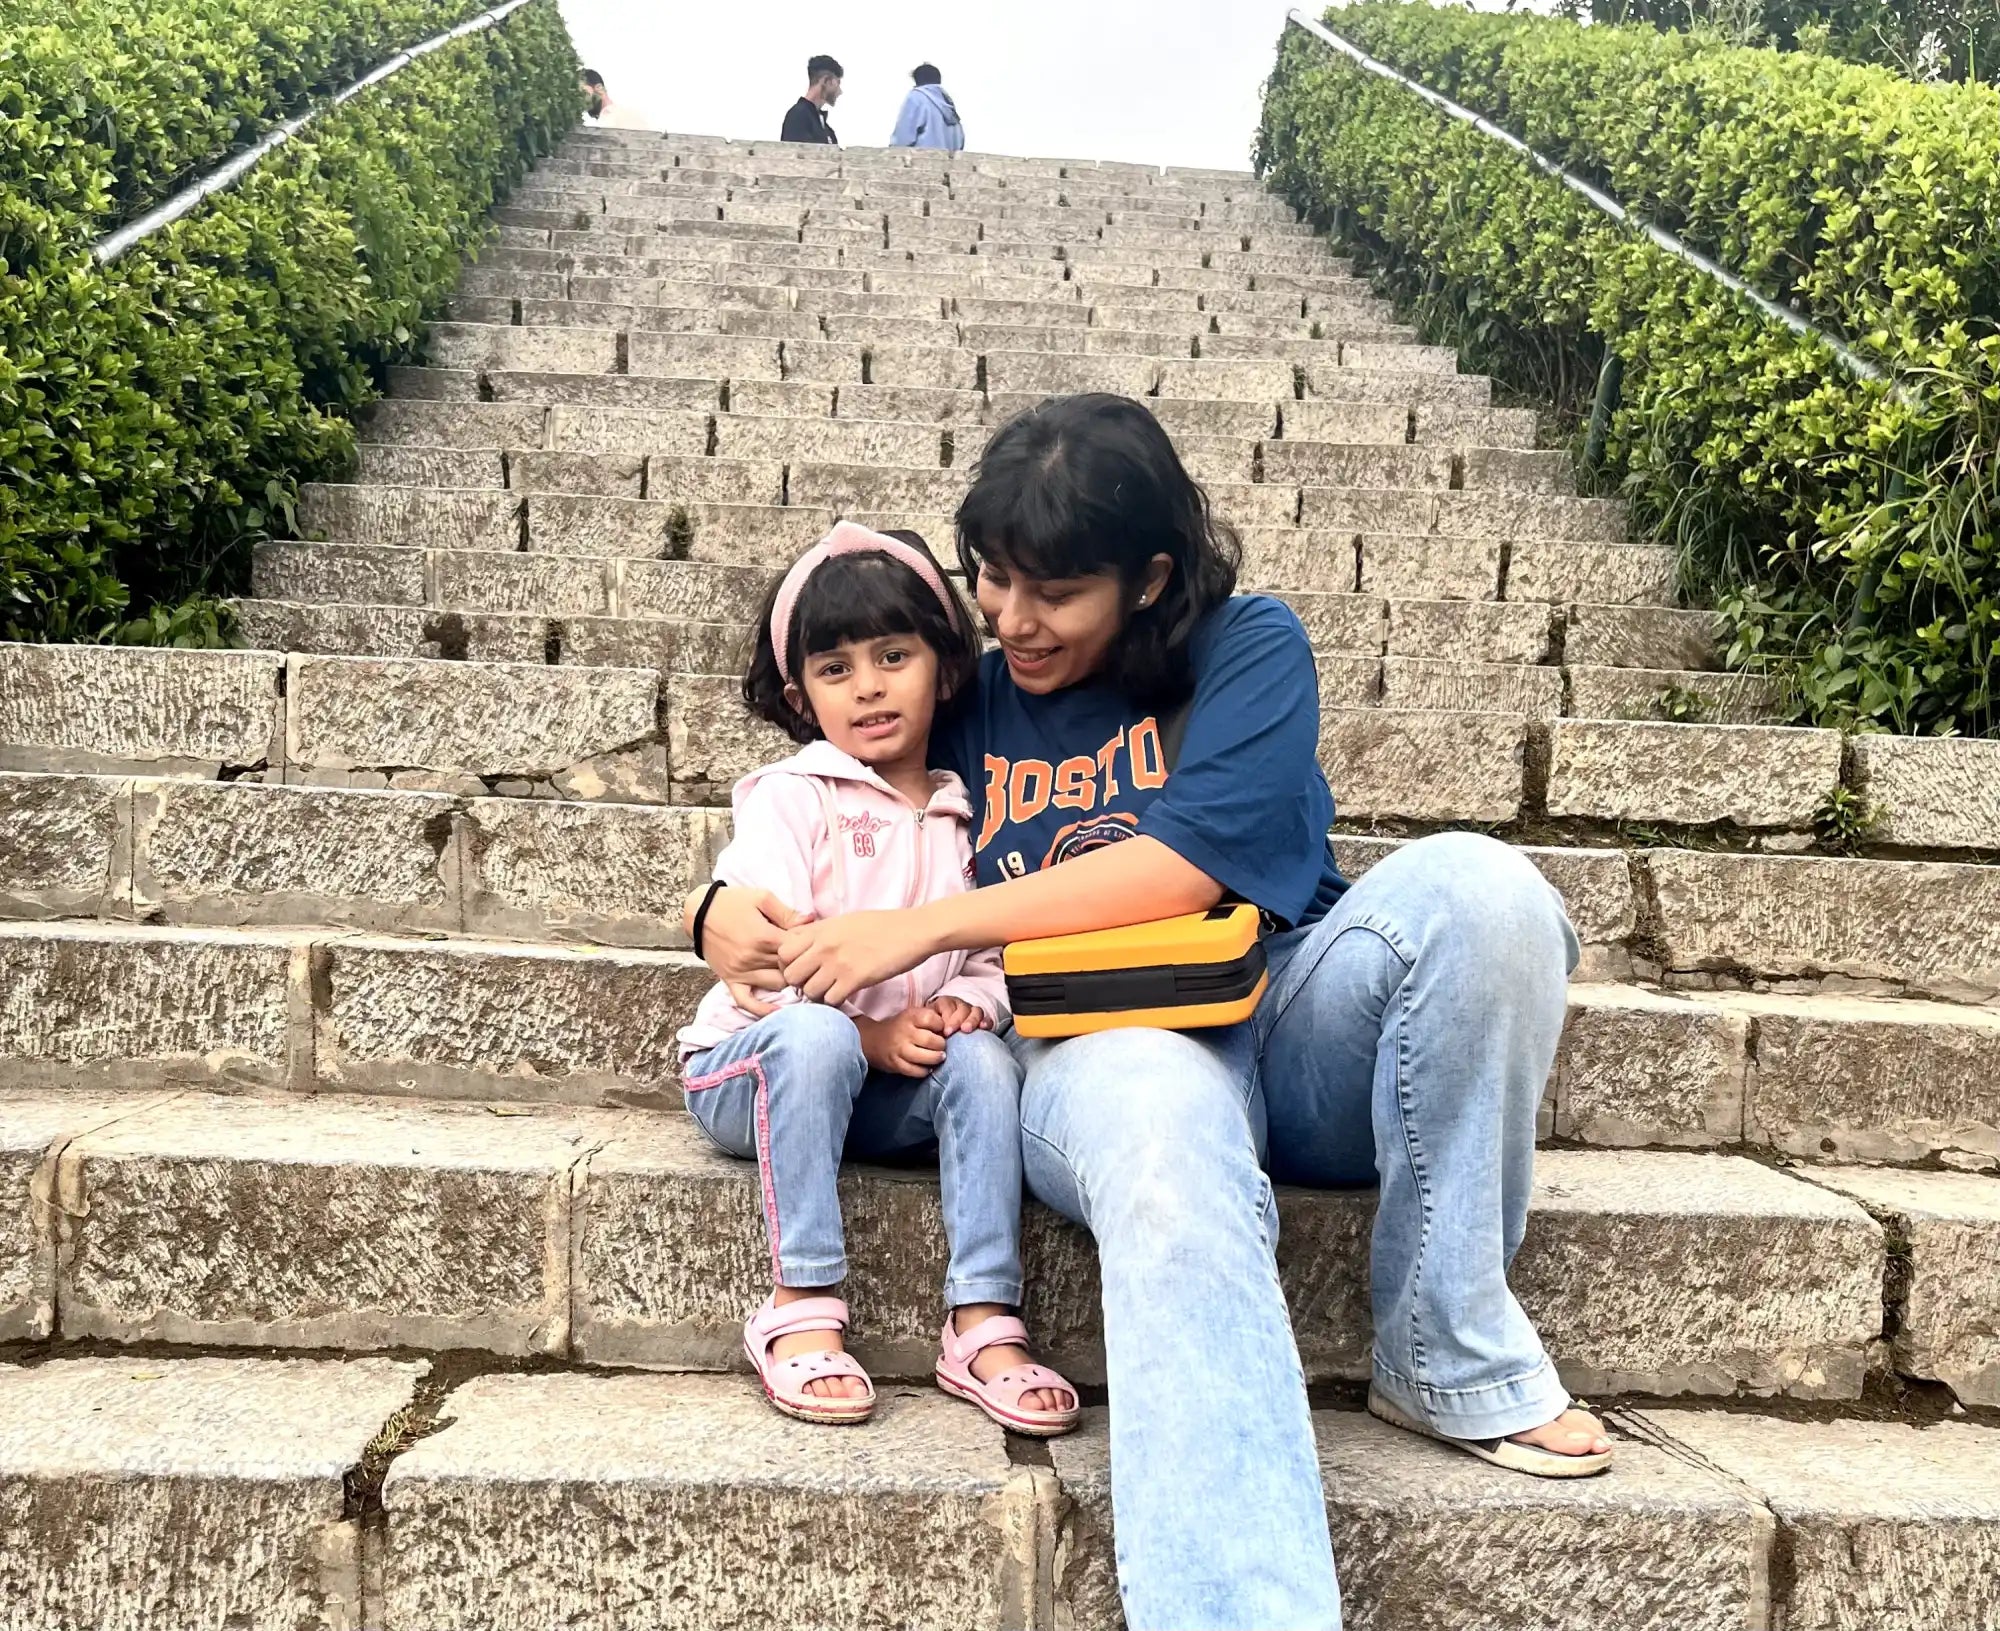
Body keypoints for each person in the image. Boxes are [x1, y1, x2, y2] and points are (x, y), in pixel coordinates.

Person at [689, 396, 1614, 1630]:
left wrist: (922, 931)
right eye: (991, 581)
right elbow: (825, 793)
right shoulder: (966, 683)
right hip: (1091, 1043)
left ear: (1149, 576)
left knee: (1489, 889)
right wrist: (716, 908)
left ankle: (1446, 1348)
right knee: (1167, 1137)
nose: (1013, 620)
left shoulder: (1248, 647)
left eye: (1054, 591)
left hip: (1286, 1009)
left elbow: (1181, 864)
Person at [678, 521, 1080, 1437]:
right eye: (835, 668)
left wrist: (961, 1006)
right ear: (800, 693)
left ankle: (983, 1322)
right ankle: (802, 1304)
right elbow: (760, 963)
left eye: (893, 655)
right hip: (753, 1072)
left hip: (885, 1083)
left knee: (983, 1062)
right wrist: (866, 1035)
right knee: (817, 1038)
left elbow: (992, 959)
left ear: (943, 667)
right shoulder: (794, 797)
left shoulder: (968, 812)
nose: (867, 686)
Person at [890, 63, 966, 151]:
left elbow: (903, 135)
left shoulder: (916, 97)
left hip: (920, 160)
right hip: (948, 161)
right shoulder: (948, 103)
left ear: (917, 80)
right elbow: (960, 140)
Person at [781, 55, 843, 145]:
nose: (840, 91)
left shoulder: (827, 130)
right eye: (838, 83)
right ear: (826, 81)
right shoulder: (798, 115)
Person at [579, 69, 653, 131]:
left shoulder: (618, 117)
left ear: (599, 88)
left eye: (583, 92)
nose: (580, 99)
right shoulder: (628, 113)